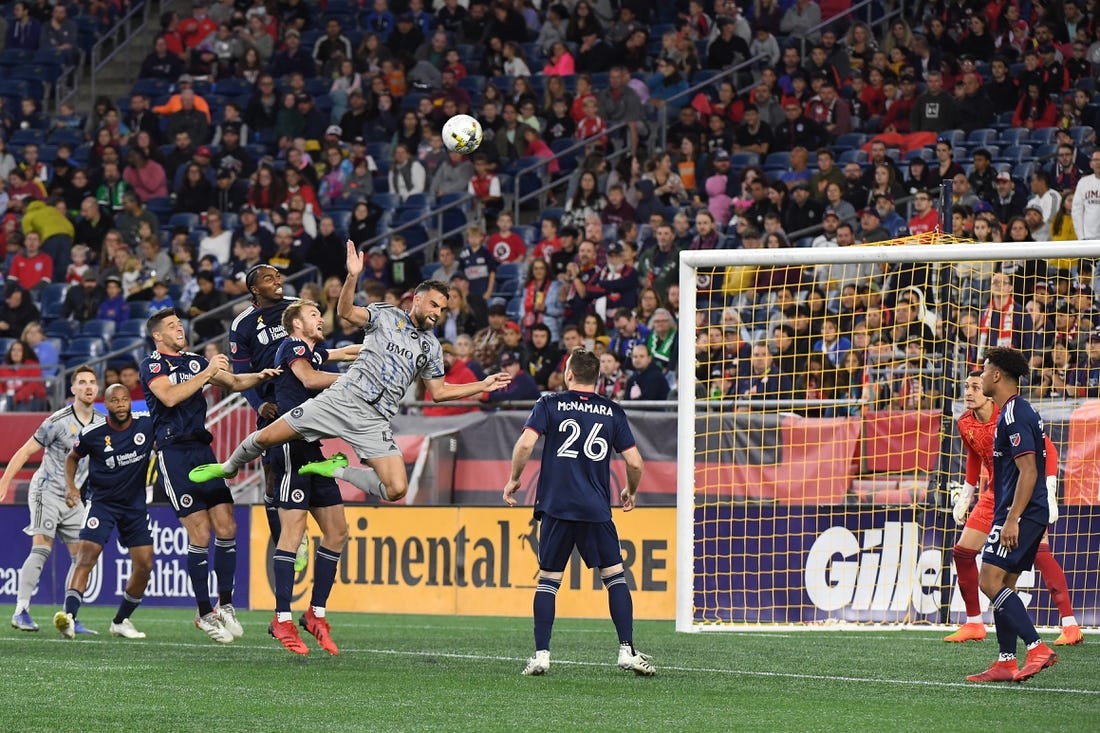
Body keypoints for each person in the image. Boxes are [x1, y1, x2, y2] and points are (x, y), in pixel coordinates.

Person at [188, 242, 512, 504]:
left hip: (375, 419)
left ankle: (334, 470)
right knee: (266, 437)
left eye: (442, 309)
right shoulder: (386, 315)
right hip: (342, 399)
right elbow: (344, 311)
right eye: (434, 305)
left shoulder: (432, 348)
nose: (437, 313)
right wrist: (352, 276)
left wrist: (481, 384)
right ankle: (228, 467)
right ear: (417, 299)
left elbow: (439, 393)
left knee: (396, 488)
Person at [503, 348, 654, 676]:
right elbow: (634, 462)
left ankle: (542, 655)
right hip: (595, 508)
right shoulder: (612, 411)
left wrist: (514, 479)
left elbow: (526, 444)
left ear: (569, 374)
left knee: (548, 581)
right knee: (614, 577)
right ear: (597, 378)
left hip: (556, 506)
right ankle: (626, 649)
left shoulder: (549, 403)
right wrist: (630, 491)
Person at [139, 308, 281, 643]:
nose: (180, 329)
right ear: (158, 335)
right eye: (172, 326)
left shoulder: (194, 362)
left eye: (180, 324)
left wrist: (262, 375)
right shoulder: (153, 365)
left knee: (227, 525)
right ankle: (204, 613)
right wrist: (207, 372)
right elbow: (169, 396)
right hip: (174, 453)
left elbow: (234, 382)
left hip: (203, 451)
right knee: (200, 533)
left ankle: (226, 604)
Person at [948, 371, 1081, 646]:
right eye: (966, 387)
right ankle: (974, 622)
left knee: (1039, 554)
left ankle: (1069, 625)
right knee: (962, 553)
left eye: (975, 387)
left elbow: (1049, 450)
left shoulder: (1009, 416)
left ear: (989, 392)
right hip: (993, 495)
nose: (969, 392)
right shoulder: (965, 422)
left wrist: (1051, 490)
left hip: (1024, 493)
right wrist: (967, 494)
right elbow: (974, 454)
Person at [266, 300, 361, 655]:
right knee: (293, 533)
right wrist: (354, 378)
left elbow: (346, 351)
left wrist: (384, 346)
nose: (321, 318)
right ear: (296, 324)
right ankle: (281, 619)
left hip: (312, 450)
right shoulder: (292, 347)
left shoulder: (314, 352)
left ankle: (315, 614)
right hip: (290, 446)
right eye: (313, 315)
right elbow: (309, 378)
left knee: (337, 531)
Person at [965, 347, 1059, 683]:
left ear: (997, 375)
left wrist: (1012, 518)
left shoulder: (1012, 414)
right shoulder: (1019, 410)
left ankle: (1037, 647)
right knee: (1005, 584)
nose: (980, 376)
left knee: (988, 581)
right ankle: (1006, 661)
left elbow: (1029, 470)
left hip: (1020, 512)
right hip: (1029, 510)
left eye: (984, 370)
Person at [0, 366, 104, 634]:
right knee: (42, 549)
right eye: (82, 382)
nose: (88, 386)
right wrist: (4, 482)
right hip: (46, 491)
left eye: (92, 382)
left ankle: (69, 617)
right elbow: (25, 451)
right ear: (73, 389)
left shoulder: (102, 424)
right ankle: (21, 611)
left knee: (82, 558)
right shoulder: (57, 421)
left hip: (73, 498)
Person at [53, 384, 154, 640]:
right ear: (105, 404)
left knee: (144, 566)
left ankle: (120, 621)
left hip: (135, 506)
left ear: (130, 402)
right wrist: (71, 487)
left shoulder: (146, 424)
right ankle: (69, 618)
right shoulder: (93, 433)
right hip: (102, 503)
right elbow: (72, 458)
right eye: (114, 400)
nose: (120, 405)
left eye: (125, 399)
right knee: (87, 556)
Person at [228, 263, 299, 555]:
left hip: (303, 398)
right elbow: (241, 376)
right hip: (272, 404)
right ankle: (282, 540)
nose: (277, 281)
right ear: (255, 289)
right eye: (269, 279)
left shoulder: (296, 308)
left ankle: (299, 530)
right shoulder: (242, 324)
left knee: (307, 467)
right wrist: (259, 405)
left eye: (278, 276)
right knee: (271, 472)